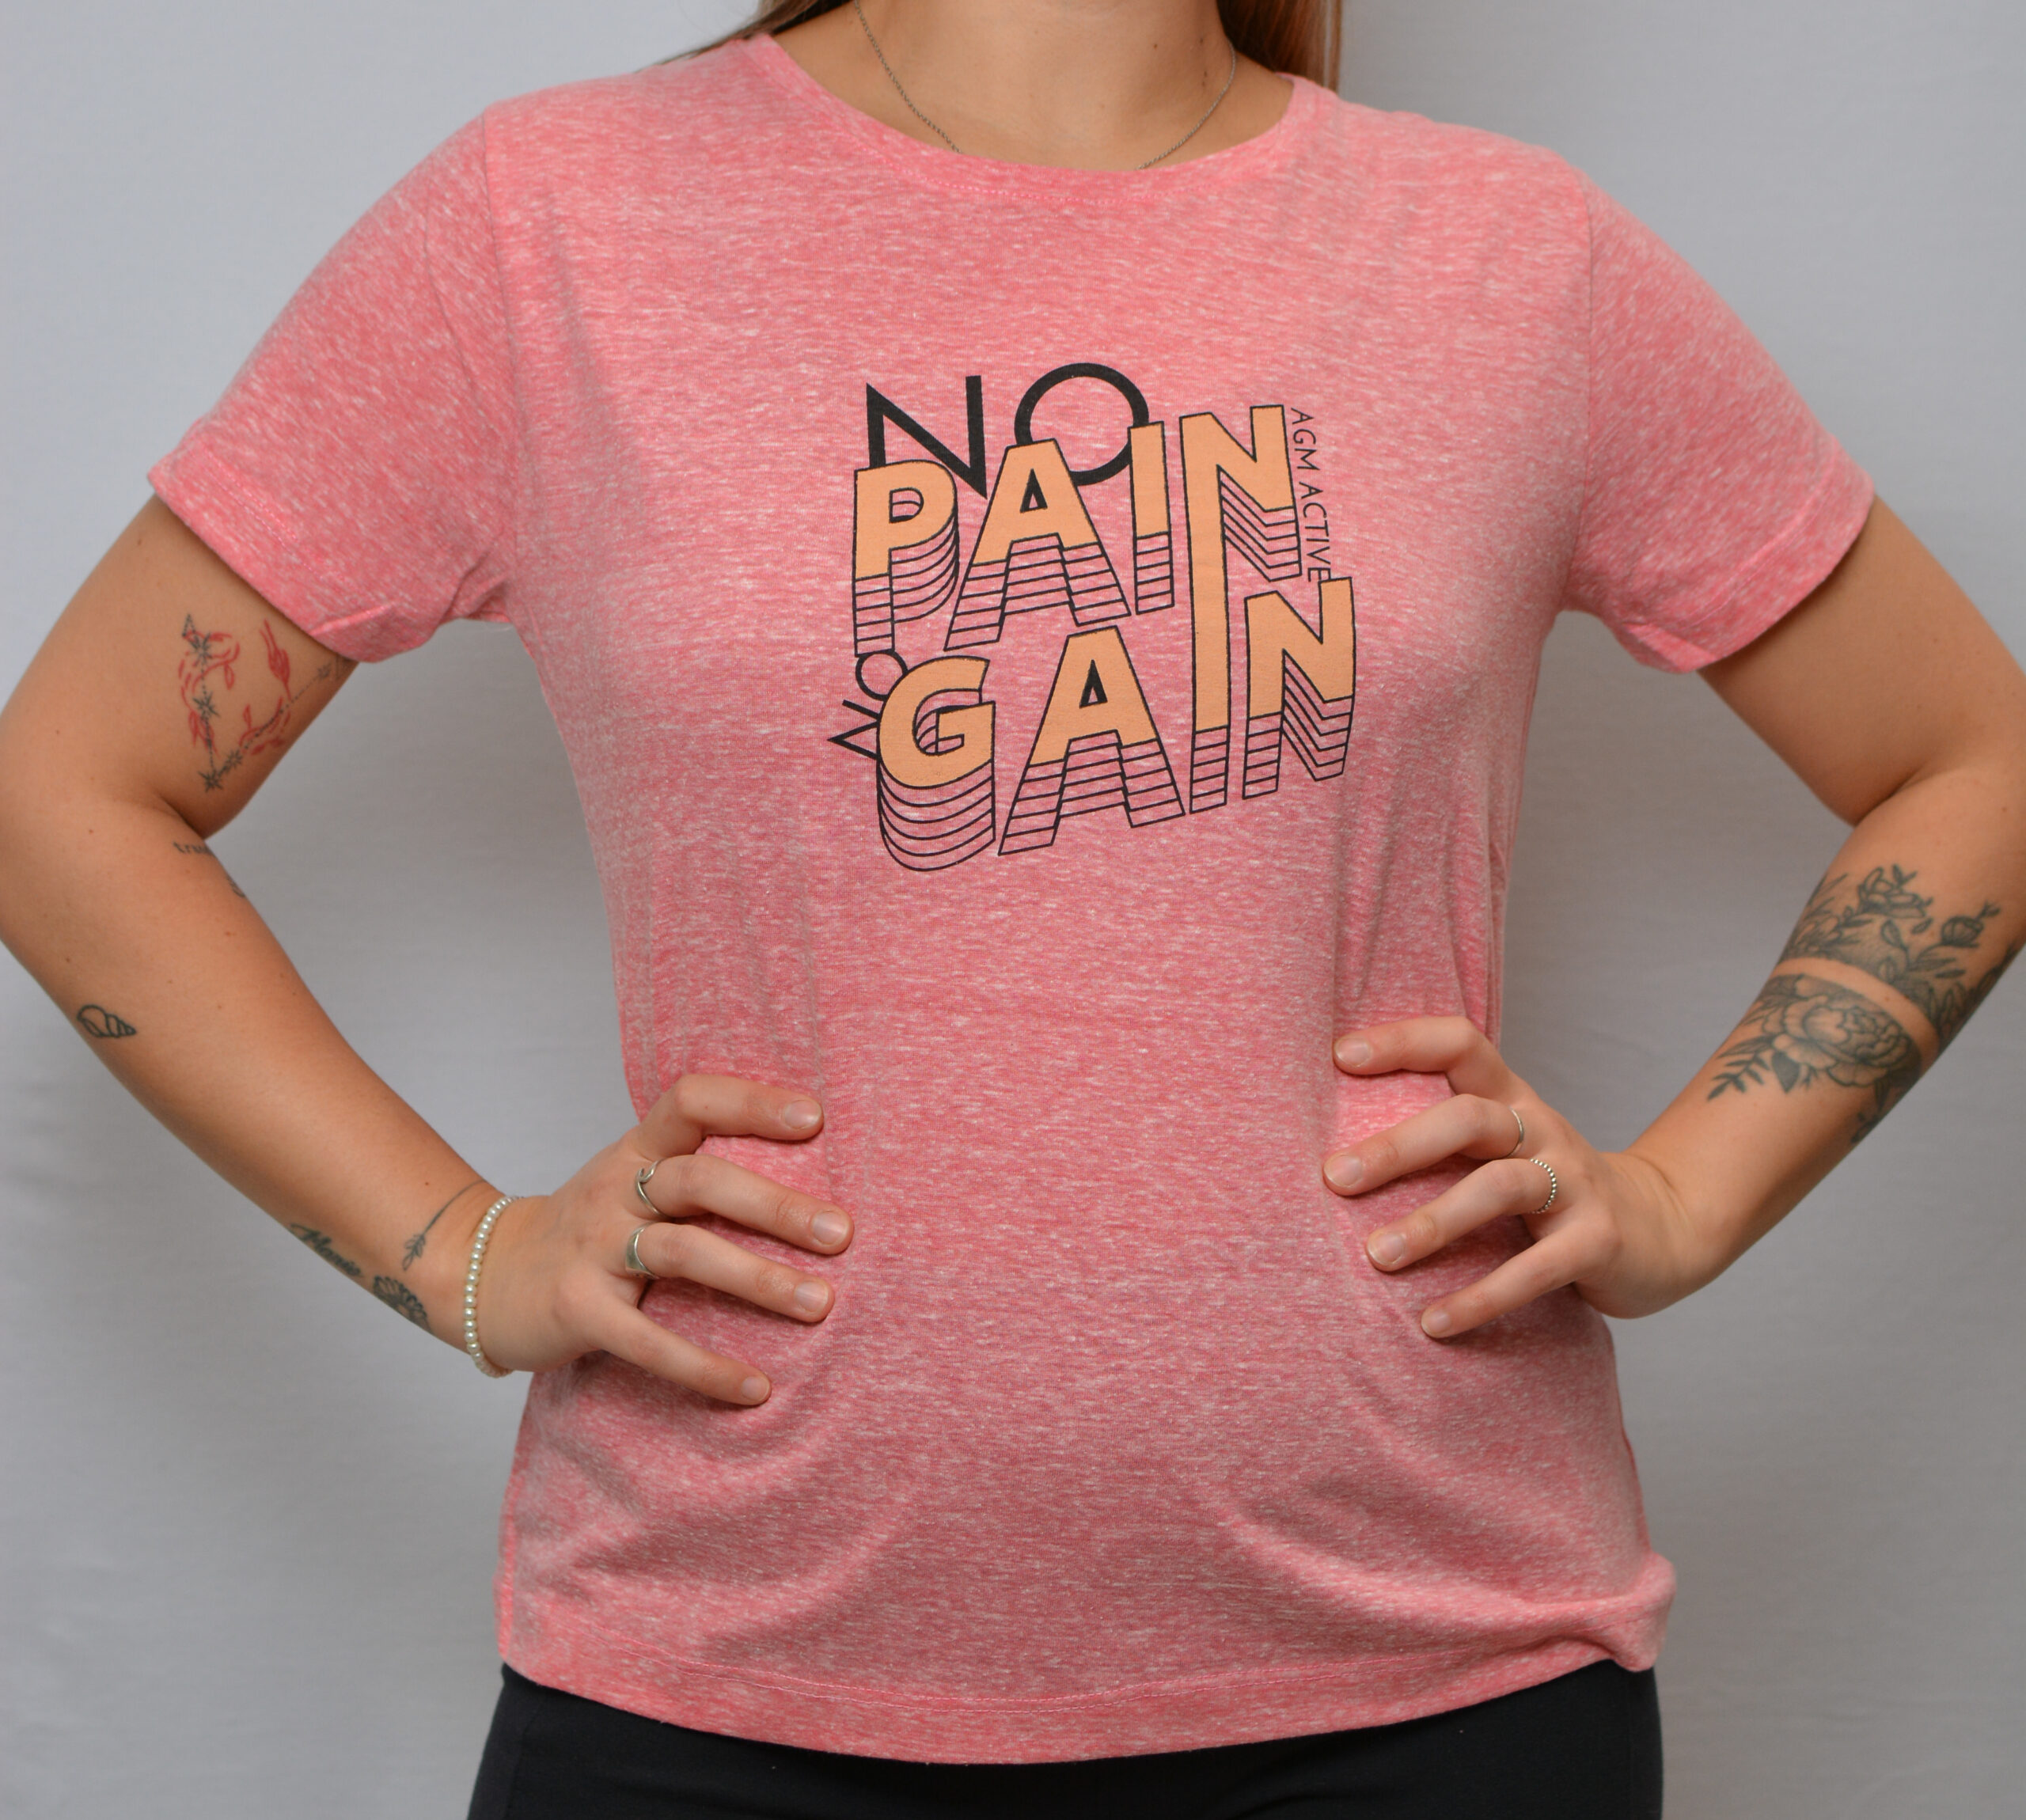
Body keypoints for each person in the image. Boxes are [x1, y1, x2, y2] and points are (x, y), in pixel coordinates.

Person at [1, 1, 2020, 1814]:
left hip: (1434, 1677)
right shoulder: (547, 230)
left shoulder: (1506, 258)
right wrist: (466, 1254)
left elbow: (1968, 759)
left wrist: (1678, 1195)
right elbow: (66, 795)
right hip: (718, 1682)